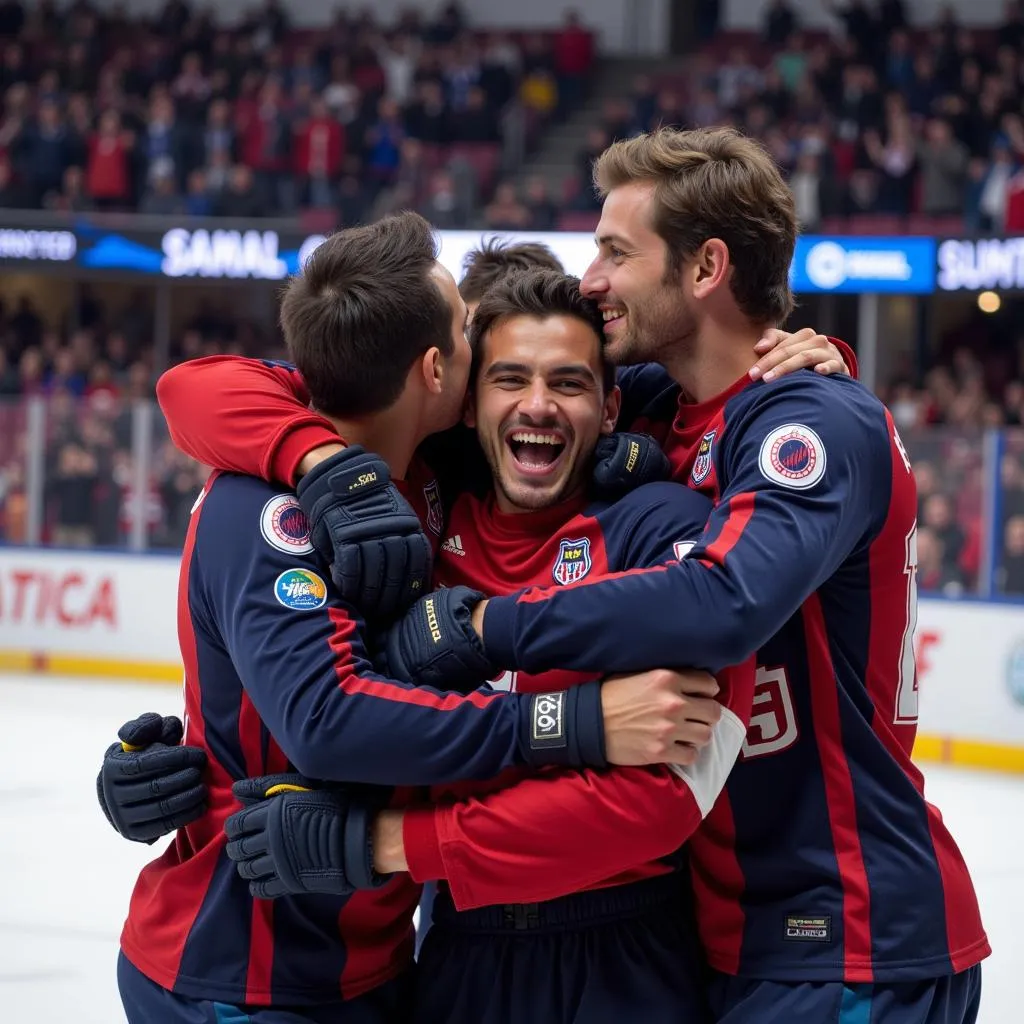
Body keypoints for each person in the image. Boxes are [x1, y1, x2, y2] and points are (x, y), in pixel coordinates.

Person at [372, 128, 990, 1023]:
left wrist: (482, 629)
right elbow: (287, 386)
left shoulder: (811, 417)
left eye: (616, 252)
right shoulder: (664, 412)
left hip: (848, 932)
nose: (592, 279)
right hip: (727, 938)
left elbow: (722, 600)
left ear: (706, 268)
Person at [105, 213, 728, 1024]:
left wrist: (808, 374)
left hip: (394, 960)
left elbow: (711, 395)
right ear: (452, 380)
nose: (533, 402)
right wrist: (573, 721)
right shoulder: (277, 497)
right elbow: (190, 386)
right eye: (496, 367)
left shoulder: (435, 477)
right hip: (256, 965)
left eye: (568, 384)